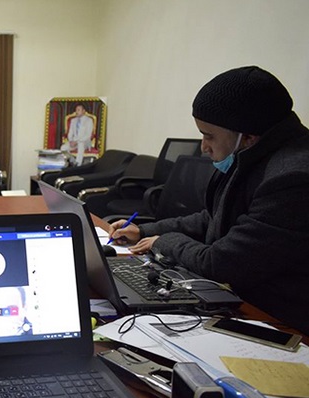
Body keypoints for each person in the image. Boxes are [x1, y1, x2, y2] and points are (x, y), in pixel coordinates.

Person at [108, 66, 309, 334]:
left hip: (282, 322)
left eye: (209, 135)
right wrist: (144, 230)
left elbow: (222, 264)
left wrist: (163, 242)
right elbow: (213, 218)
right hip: (245, 301)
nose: (203, 146)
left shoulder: (292, 178)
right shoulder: (253, 153)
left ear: (247, 135)